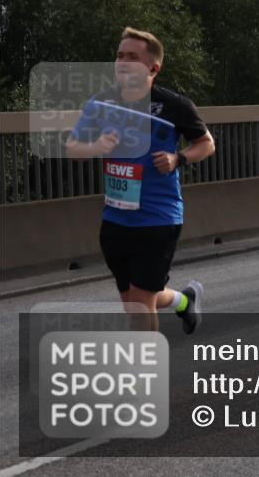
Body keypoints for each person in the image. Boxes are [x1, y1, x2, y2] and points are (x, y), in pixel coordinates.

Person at [66, 27, 216, 333]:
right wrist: (95, 147)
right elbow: (73, 149)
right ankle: (185, 301)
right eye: (120, 56)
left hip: (158, 218)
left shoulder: (174, 105)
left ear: (153, 67)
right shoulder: (101, 104)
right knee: (137, 299)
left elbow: (207, 143)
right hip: (116, 218)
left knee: (139, 304)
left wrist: (179, 158)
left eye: (132, 57)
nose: (122, 62)